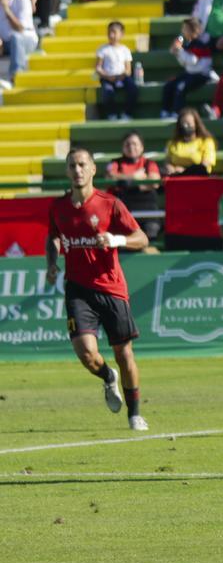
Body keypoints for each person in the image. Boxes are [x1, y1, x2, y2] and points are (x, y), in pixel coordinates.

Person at [46, 147, 151, 431]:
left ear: (93, 169)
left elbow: (141, 238)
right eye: (72, 165)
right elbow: (54, 237)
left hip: (111, 287)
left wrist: (116, 240)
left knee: (124, 353)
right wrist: (52, 263)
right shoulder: (58, 207)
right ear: (67, 171)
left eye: (82, 164)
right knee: (86, 353)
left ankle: (135, 413)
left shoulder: (110, 204)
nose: (77, 170)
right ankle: (108, 377)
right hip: (77, 289)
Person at [105, 131, 162, 244]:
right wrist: (135, 177)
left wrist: (125, 182)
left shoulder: (149, 163)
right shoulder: (115, 163)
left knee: (151, 233)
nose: (131, 147)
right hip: (123, 212)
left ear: (141, 147)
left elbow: (154, 182)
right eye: (127, 144)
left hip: (148, 211)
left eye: (135, 144)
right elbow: (110, 178)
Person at [161, 17, 214, 119]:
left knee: (181, 86)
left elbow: (192, 61)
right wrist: (177, 52)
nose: (183, 31)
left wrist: (180, 51)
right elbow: (185, 63)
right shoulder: (188, 45)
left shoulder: (199, 44)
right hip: (190, 73)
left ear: (193, 30)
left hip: (201, 74)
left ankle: (177, 112)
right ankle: (165, 111)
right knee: (169, 85)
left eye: (185, 29)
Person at [0, 0, 38, 80]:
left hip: (26, 40)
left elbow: (20, 29)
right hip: (6, 43)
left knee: (16, 38)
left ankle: (16, 75)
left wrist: (6, 9)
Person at [96, 20, 137, 121]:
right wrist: (107, 76)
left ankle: (127, 113)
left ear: (121, 34)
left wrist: (121, 76)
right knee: (107, 91)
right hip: (107, 77)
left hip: (122, 77)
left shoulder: (125, 50)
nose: (111, 35)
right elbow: (98, 67)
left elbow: (128, 70)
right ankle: (112, 114)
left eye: (114, 32)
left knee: (133, 89)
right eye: (109, 32)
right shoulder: (103, 49)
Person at [164, 107, 217, 175]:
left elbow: (205, 164)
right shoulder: (173, 143)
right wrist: (170, 168)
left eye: (188, 123)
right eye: (183, 123)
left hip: (199, 179)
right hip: (176, 178)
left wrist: (184, 171)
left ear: (196, 124)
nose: (185, 126)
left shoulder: (206, 141)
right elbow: (167, 161)